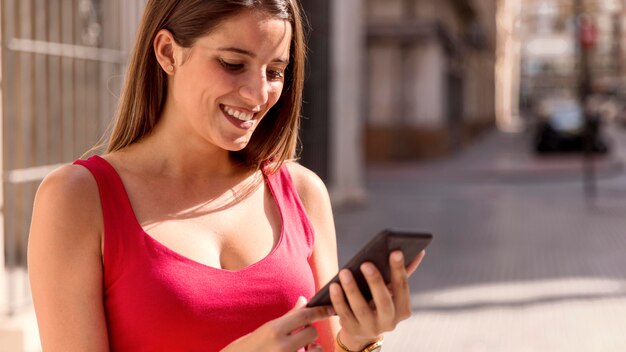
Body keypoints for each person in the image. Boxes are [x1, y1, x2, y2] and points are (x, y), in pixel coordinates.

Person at [27, 0, 425, 351]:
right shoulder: (78, 199)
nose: (257, 93)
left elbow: (330, 346)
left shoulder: (302, 192)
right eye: (233, 64)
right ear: (168, 52)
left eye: (275, 71)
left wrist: (358, 341)